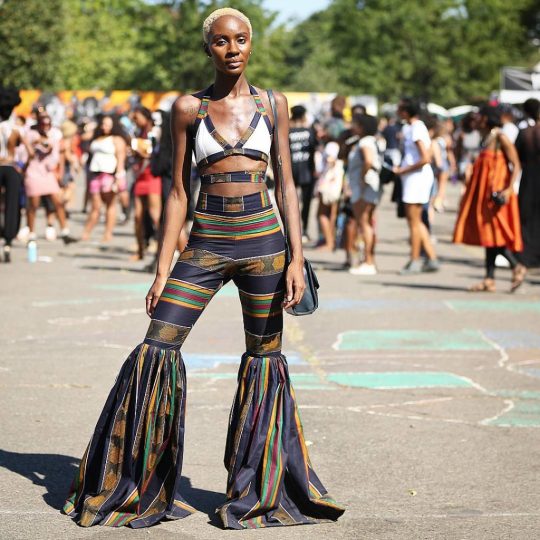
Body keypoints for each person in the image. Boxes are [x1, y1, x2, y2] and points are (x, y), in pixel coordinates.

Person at [63, 7, 344, 530]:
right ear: (208, 48)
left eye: (240, 39)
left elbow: (286, 185)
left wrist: (298, 259)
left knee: (265, 361)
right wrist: (161, 268)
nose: (232, 48)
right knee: (157, 347)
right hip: (206, 242)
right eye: (221, 41)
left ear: (251, 43)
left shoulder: (273, 104)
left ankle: (261, 490)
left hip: (265, 243)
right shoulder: (187, 108)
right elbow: (176, 191)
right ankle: (136, 485)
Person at [453, 106, 524, 292]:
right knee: (487, 235)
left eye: (479, 118)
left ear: (487, 119)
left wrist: (508, 189)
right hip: (484, 193)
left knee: (495, 233)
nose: (476, 121)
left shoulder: (500, 137)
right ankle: (489, 279)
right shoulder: (486, 138)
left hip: (497, 193)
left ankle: (516, 266)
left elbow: (516, 164)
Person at [394, 98, 439, 274]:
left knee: (413, 221)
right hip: (413, 177)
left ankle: (414, 260)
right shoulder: (411, 127)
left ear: (406, 111)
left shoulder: (417, 128)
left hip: (416, 178)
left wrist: (404, 169)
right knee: (416, 220)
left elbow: (425, 158)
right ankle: (431, 257)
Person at [23, 114, 75, 244]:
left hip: (48, 172)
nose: (45, 127)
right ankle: (32, 233)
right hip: (33, 171)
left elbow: (58, 154)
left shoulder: (55, 134)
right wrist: (36, 143)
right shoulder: (30, 134)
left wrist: (60, 170)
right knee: (33, 204)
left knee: (57, 202)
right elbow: (26, 154)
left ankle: (65, 232)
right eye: (43, 124)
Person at [81, 115, 127, 242]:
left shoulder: (117, 139)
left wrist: (119, 177)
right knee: (95, 205)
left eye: (107, 124)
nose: (104, 127)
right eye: (103, 124)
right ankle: (87, 231)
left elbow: (121, 159)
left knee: (110, 205)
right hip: (95, 174)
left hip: (109, 174)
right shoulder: (97, 137)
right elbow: (83, 137)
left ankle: (108, 233)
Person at [347, 114, 382, 275]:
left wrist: (361, 179)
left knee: (364, 223)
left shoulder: (365, 142)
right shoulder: (372, 140)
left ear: (362, 126)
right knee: (367, 223)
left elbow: (368, 160)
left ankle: (368, 262)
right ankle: (369, 260)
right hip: (370, 187)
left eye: (355, 124)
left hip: (364, 188)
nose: (353, 126)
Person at [0, 88, 29, 262]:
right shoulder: (16, 129)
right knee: (12, 205)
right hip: (11, 168)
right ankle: (8, 240)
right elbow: (30, 152)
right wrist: (23, 167)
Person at [131, 106, 162, 260]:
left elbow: (157, 153)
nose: (134, 121)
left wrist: (141, 152)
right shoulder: (137, 133)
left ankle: (161, 252)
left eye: (136, 118)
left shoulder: (156, 132)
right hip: (140, 176)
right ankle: (140, 250)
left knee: (155, 216)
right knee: (137, 216)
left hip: (152, 176)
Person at [514, 98, 540, 273]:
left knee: (527, 217)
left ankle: (527, 257)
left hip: (529, 178)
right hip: (532, 176)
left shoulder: (525, 133)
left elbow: (517, 159)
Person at [288, 104, 316, 241]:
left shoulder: (287, 131)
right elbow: (314, 150)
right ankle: (304, 230)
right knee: (306, 202)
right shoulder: (309, 131)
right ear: (304, 116)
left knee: (290, 202)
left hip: (290, 170)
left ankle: (291, 231)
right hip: (307, 170)